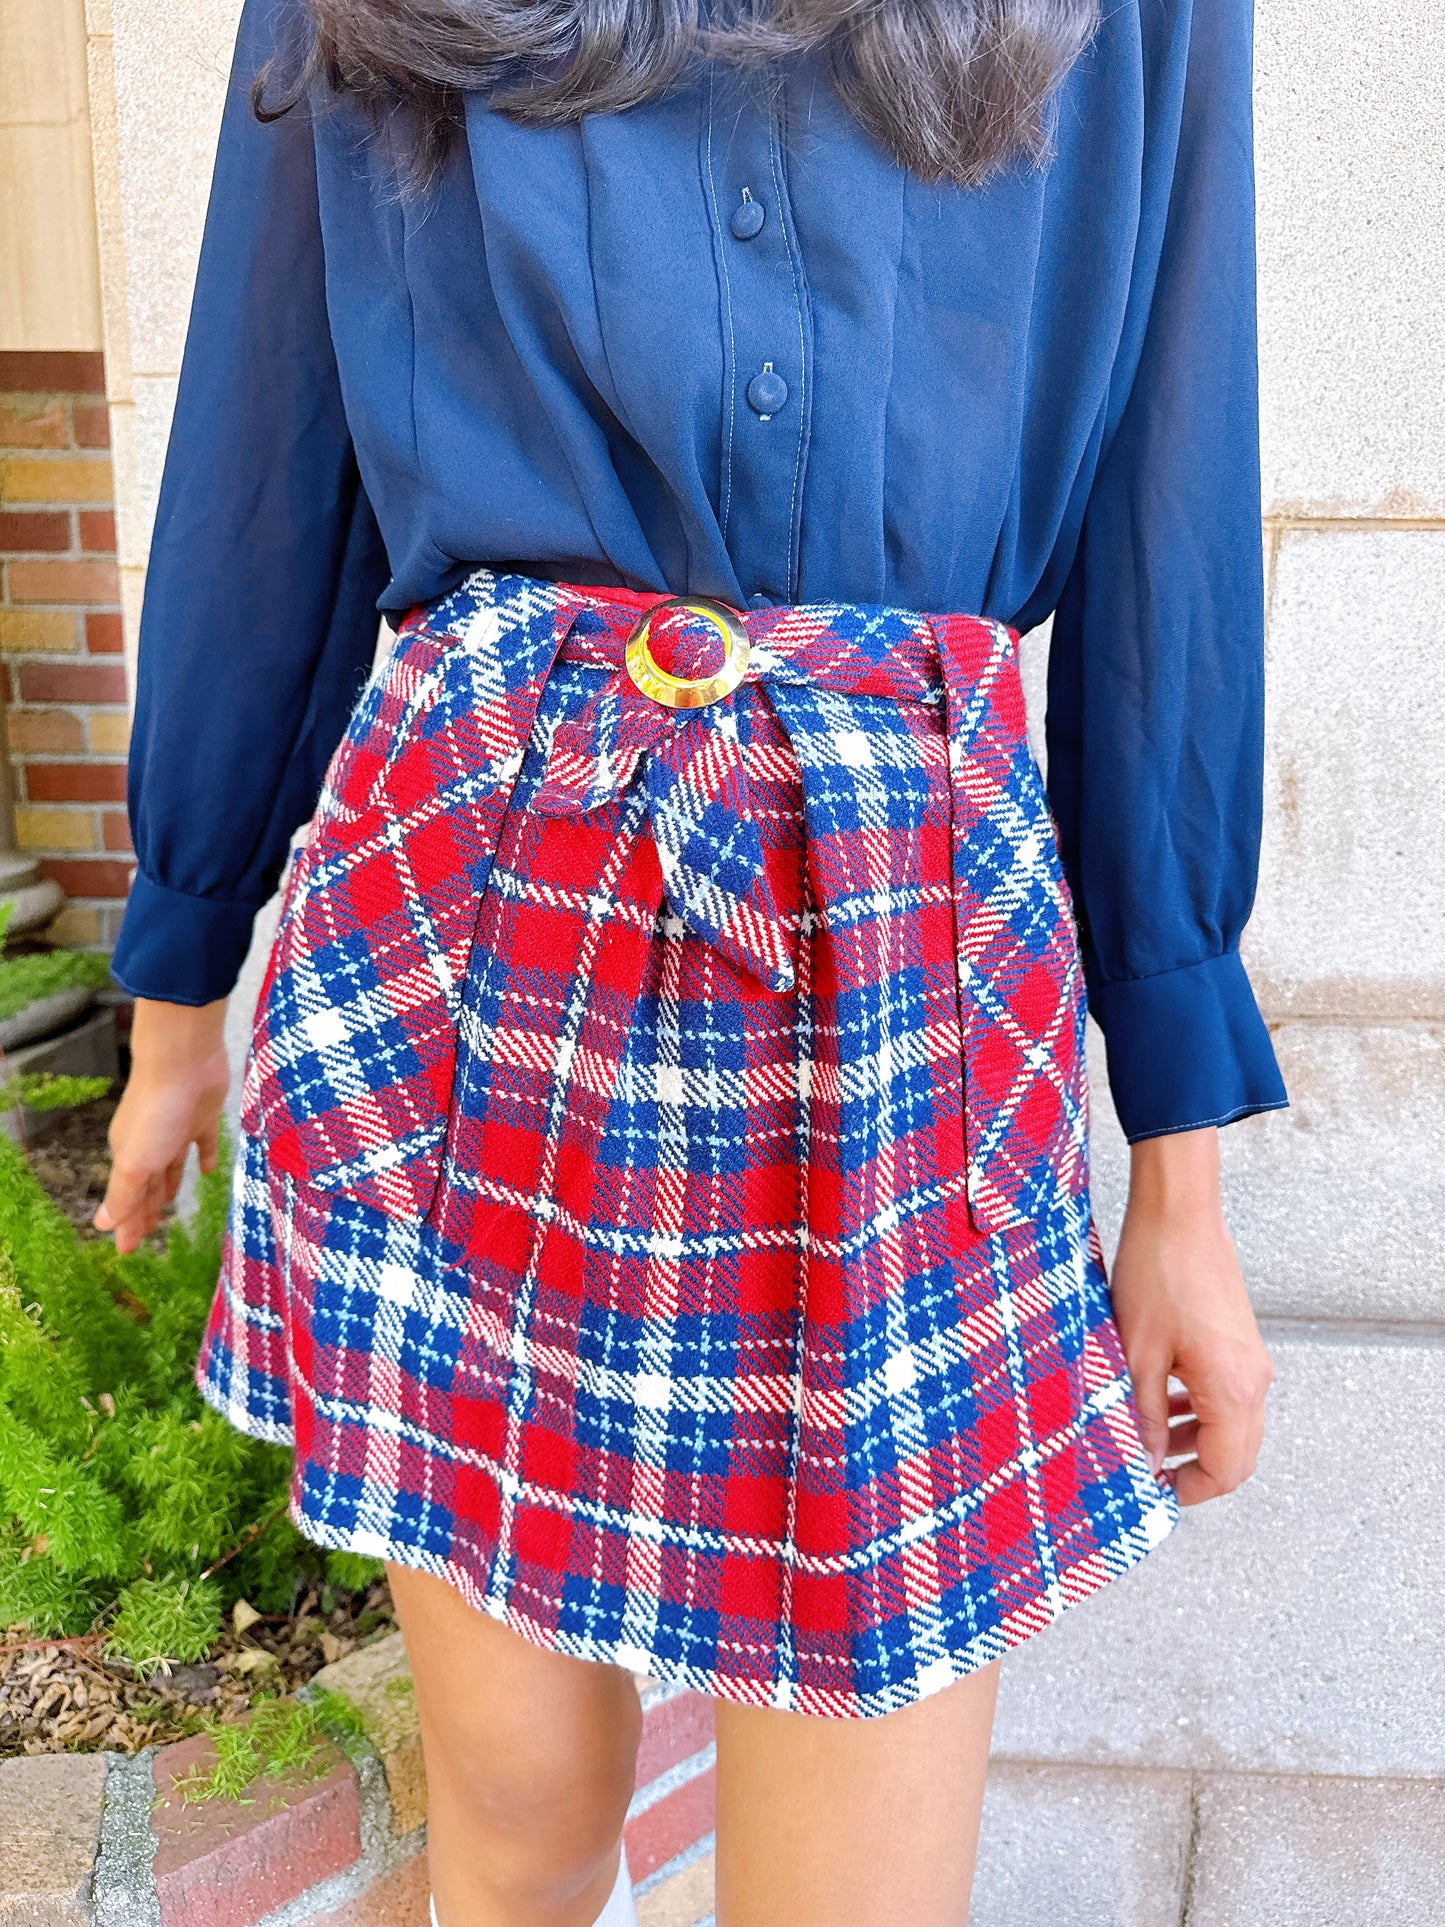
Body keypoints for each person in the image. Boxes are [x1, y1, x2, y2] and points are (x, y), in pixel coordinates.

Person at [96, 0, 1286, 1918]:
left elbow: (1172, 487)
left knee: (856, 1890)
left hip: (897, 972)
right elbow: (269, 440)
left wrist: (1182, 1173)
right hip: (463, 937)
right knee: (515, 1825)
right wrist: (179, 983)